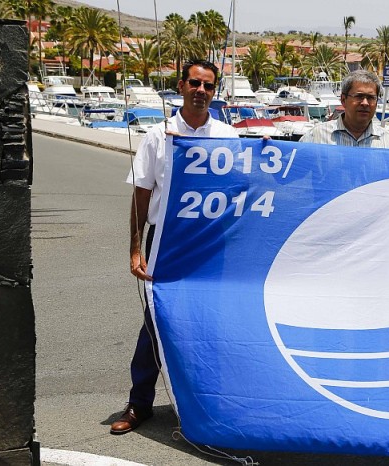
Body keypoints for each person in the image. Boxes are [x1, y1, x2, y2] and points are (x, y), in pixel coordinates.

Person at [111, 59, 239, 435]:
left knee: (210, 321)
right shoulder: (158, 136)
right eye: (195, 83)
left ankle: (208, 401)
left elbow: (243, 190)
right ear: (181, 86)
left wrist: (265, 153)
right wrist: (136, 249)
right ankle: (139, 403)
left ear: (215, 92)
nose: (201, 91)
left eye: (209, 86)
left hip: (210, 244)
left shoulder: (228, 137)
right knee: (156, 321)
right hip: (166, 241)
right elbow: (141, 195)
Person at [299, 70, 389, 148]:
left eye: (371, 97)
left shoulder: (387, 141)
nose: (365, 103)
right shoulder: (316, 137)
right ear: (343, 100)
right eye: (359, 96)